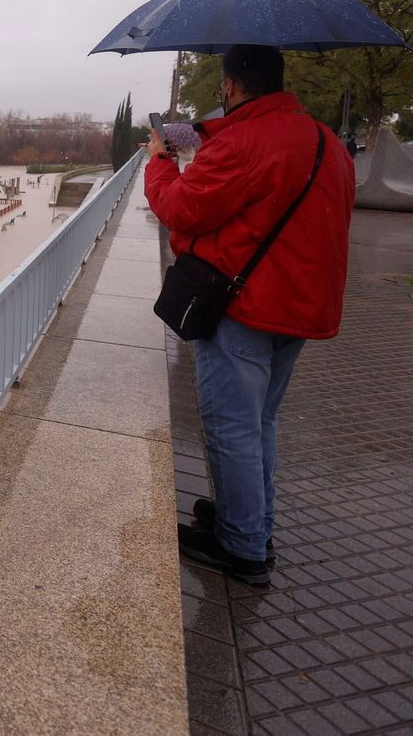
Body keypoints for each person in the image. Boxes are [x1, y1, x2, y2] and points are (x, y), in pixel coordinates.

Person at [145, 45, 355, 586]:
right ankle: (251, 523)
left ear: (231, 87)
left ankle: (241, 549)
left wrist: (158, 161)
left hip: (245, 306)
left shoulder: (243, 142)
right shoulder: (324, 140)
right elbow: (247, 147)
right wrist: (186, 134)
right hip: (303, 306)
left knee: (232, 426)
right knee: (261, 420)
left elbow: (179, 207)